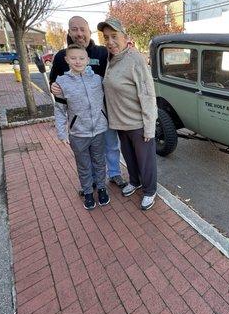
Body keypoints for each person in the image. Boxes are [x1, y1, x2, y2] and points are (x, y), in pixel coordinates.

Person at [50, 16, 127, 192]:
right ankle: (93, 181)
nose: (79, 33)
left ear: (89, 32)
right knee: (89, 153)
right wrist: (53, 87)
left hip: (104, 113)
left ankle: (114, 173)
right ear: (69, 32)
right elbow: (55, 83)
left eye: (82, 29)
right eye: (74, 29)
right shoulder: (62, 57)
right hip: (81, 119)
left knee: (111, 145)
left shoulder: (102, 52)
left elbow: (119, 65)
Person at [98, 17, 158, 211]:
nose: (110, 41)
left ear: (125, 37)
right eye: (106, 37)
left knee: (145, 162)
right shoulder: (111, 58)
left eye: (114, 36)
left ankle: (149, 191)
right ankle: (135, 181)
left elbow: (147, 94)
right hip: (120, 123)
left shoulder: (135, 59)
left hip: (138, 124)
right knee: (129, 158)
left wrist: (149, 127)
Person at [54, 44, 110, 210]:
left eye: (81, 58)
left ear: (88, 60)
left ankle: (101, 188)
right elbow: (59, 110)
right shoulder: (61, 83)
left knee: (100, 162)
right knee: (84, 165)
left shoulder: (97, 79)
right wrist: (61, 133)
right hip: (78, 134)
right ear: (66, 60)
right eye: (73, 58)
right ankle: (87, 192)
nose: (77, 61)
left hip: (99, 130)